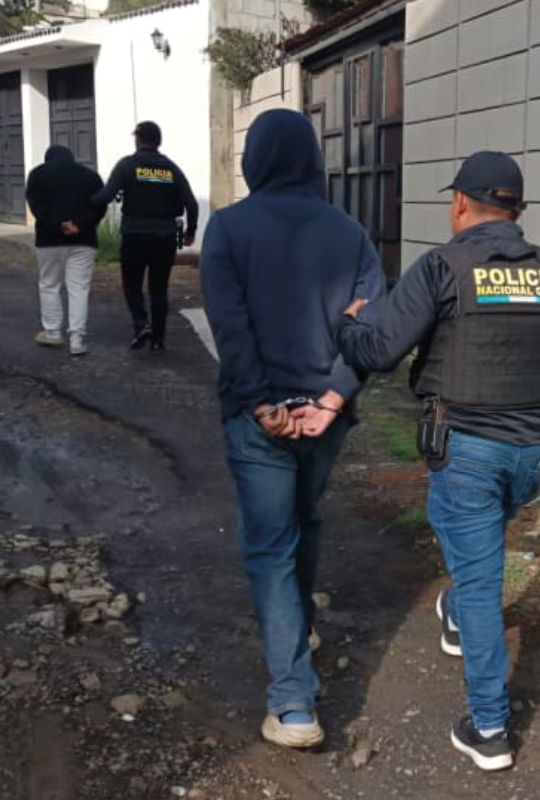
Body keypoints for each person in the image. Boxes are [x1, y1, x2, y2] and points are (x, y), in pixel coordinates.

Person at [335, 151, 540, 772]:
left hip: (466, 448)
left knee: (478, 580)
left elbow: (380, 351)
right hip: (533, 454)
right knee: (478, 550)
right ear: (517, 210)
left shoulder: (442, 266)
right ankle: (463, 621)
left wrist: (348, 326)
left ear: (461, 203)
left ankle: (489, 728)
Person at [201, 109, 386, 750]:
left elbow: (230, 329)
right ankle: (299, 624)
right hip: (325, 419)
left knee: (271, 546)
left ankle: (294, 704)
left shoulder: (229, 229)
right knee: (304, 520)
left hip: (261, 420)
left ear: (254, 159)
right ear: (312, 159)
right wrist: (332, 398)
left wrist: (260, 404)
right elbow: (370, 331)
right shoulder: (351, 234)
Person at [92, 121, 198, 352]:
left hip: (135, 235)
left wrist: (82, 200)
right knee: (158, 288)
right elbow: (191, 203)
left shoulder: (127, 165)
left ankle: (141, 323)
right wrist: (191, 231)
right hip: (164, 237)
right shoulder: (171, 168)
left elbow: (105, 196)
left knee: (132, 284)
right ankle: (158, 339)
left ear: (138, 139)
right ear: (158, 141)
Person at [25, 145, 106, 356]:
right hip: (83, 239)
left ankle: (52, 333)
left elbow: (37, 207)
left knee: (49, 284)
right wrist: (79, 225)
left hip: (49, 240)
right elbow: (100, 206)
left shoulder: (38, 174)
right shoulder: (90, 176)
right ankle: (77, 340)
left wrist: (58, 225)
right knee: (78, 288)